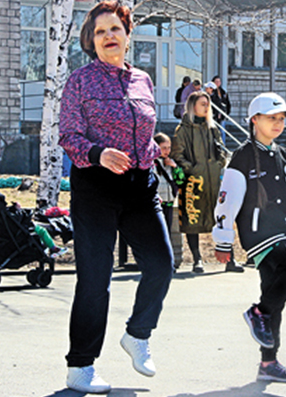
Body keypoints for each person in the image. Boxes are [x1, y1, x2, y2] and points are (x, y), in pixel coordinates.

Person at [58, 2, 174, 393]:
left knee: (161, 264)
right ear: (91, 41)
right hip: (95, 187)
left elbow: (145, 132)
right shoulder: (79, 81)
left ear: (127, 36)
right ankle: (80, 367)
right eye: (100, 31)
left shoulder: (143, 80)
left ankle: (138, 334)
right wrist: (98, 154)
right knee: (96, 279)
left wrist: (156, 153)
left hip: (140, 186)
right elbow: (69, 136)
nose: (109, 36)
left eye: (115, 29)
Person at [213, 92, 286, 383]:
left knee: (276, 298)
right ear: (254, 120)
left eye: (281, 119)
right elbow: (227, 198)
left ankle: (268, 363)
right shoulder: (243, 155)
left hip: (284, 231)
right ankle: (259, 312)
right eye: (272, 118)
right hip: (260, 234)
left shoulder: (283, 155)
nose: (278, 123)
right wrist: (223, 239)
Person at [170, 91, 243, 274]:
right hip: (194, 182)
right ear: (193, 105)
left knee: (222, 219)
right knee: (192, 220)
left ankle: (230, 260)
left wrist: (220, 162)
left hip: (214, 182)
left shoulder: (213, 128)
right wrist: (192, 168)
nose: (206, 107)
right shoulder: (183, 129)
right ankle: (197, 259)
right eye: (202, 103)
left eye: (207, 104)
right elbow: (177, 155)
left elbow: (221, 148)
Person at [153, 133, 179, 234]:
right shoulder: (151, 163)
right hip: (157, 204)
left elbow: (180, 180)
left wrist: (175, 167)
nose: (167, 151)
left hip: (169, 203)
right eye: (164, 148)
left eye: (169, 148)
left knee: (167, 233)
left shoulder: (170, 162)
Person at [211, 75, 232, 144]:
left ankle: (223, 146)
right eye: (216, 81)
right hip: (214, 115)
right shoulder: (212, 92)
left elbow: (227, 102)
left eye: (219, 81)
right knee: (215, 131)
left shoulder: (223, 92)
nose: (217, 83)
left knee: (222, 131)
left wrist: (226, 113)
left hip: (222, 115)